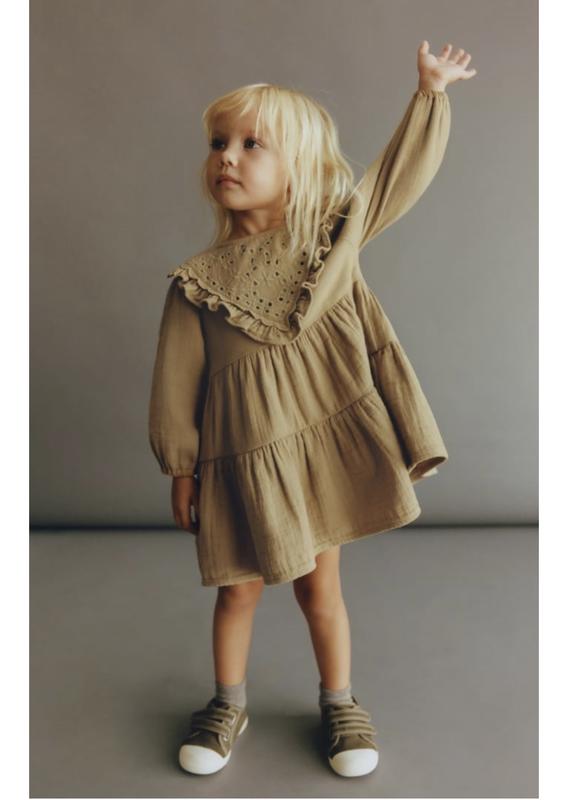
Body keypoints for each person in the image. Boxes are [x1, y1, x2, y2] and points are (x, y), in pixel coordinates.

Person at [148, 40, 477, 778]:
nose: (227, 158)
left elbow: (393, 179)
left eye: (251, 145)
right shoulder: (195, 281)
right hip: (241, 457)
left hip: (316, 453)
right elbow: (176, 382)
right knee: (236, 591)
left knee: (320, 588)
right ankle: (227, 703)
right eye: (218, 143)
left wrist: (429, 95)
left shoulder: (328, 243)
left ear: (297, 165)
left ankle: (340, 703)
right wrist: (181, 468)